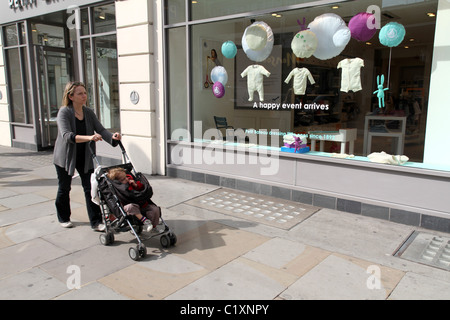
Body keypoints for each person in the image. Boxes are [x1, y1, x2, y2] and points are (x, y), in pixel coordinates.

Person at [53, 81, 122, 230]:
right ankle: (63, 217)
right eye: (80, 93)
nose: (84, 96)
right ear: (71, 96)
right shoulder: (64, 112)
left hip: (85, 155)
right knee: (64, 188)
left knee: (91, 188)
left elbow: (101, 130)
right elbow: (67, 136)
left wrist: (113, 137)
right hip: (65, 157)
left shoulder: (89, 112)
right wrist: (89, 137)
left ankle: (96, 222)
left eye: (85, 93)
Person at [107, 167, 161, 232]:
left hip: (142, 204)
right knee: (129, 207)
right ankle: (145, 221)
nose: (126, 179)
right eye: (123, 179)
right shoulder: (120, 189)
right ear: (118, 183)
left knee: (155, 209)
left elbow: (141, 188)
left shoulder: (130, 180)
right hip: (131, 209)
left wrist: (135, 185)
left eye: (126, 177)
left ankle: (154, 226)